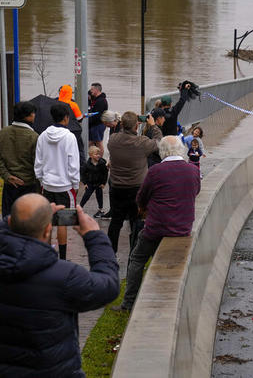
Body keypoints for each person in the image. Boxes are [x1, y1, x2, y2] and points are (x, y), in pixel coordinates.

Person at [0, 194, 119, 377]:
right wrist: (94, 236)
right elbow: (109, 285)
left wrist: (17, 219)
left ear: (10, 224)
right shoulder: (65, 276)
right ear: (48, 228)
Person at [117, 136, 200, 311]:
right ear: (181, 150)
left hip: (157, 227)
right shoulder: (192, 170)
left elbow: (141, 197)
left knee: (137, 258)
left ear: (162, 151)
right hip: (182, 227)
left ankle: (128, 302)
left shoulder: (155, 171)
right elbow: (196, 191)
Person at [106, 111, 162, 253]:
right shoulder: (141, 143)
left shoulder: (112, 140)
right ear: (137, 126)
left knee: (116, 222)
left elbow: (118, 134)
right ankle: (134, 252)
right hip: (137, 189)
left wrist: (126, 123)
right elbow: (158, 142)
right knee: (136, 222)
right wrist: (153, 126)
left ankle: (112, 253)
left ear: (122, 124)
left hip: (117, 188)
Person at [35, 103, 81, 260]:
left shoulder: (42, 136)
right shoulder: (69, 137)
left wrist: (41, 179)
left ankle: (46, 255)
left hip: (47, 185)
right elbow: (73, 163)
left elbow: (38, 162)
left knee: (47, 221)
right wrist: (75, 184)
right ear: (66, 118)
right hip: (65, 186)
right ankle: (62, 257)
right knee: (62, 222)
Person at [0, 101, 39, 217]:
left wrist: (7, 176)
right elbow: (38, 163)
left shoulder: (4, 132)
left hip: (9, 184)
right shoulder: (34, 137)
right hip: (29, 184)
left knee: (8, 219)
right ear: (29, 116)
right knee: (28, 220)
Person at [80, 146, 109, 218]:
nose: (98, 155)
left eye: (99, 154)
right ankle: (80, 207)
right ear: (91, 155)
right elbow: (83, 174)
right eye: (96, 154)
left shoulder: (102, 164)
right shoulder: (87, 164)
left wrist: (103, 183)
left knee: (99, 196)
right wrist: (85, 183)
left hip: (99, 183)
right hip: (90, 183)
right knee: (86, 195)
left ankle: (100, 209)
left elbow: (105, 174)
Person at [88, 83, 108, 155]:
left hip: (98, 125)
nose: (91, 91)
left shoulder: (101, 101)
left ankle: (100, 160)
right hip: (93, 125)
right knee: (90, 142)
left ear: (97, 90)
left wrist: (89, 121)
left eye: (92, 89)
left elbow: (98, 115)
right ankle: (92, 158)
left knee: (98, 142)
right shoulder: (95, 99)